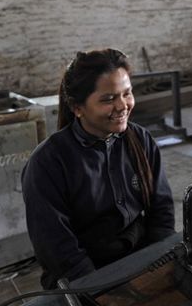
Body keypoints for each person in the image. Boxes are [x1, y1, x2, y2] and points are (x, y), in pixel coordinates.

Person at [22, 49, 174, 289]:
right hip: (81, 275)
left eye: (127, 93)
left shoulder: (140, 139)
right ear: (77, 107)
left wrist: (160, 265)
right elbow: (57, 247)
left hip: (140, 259)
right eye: (108, 99)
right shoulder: (48, 162)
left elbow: (162, 212)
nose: (123, 105)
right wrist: (99, 291)